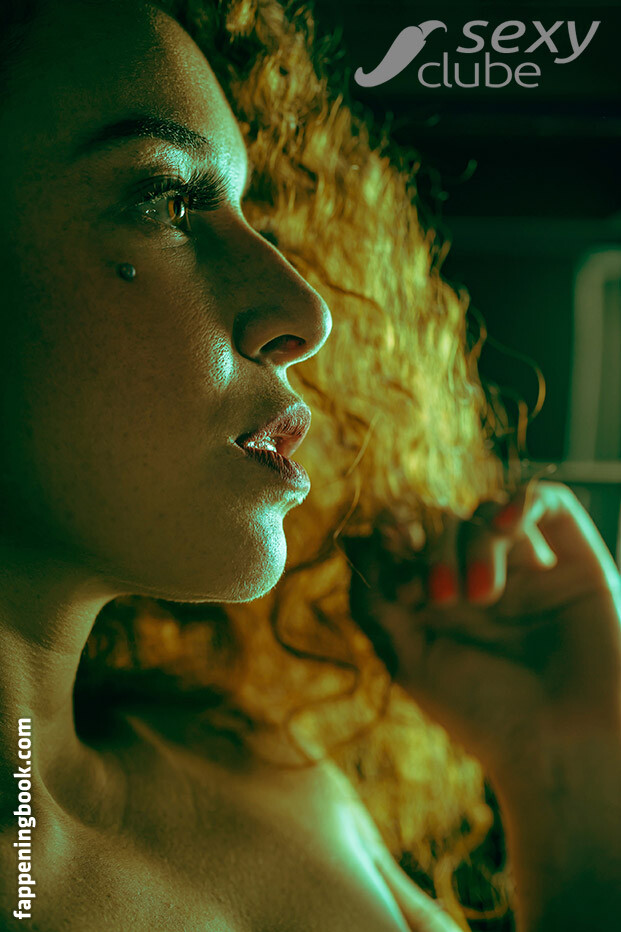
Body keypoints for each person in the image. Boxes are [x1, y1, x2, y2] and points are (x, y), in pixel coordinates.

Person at [0, 1, 619, 930]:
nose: (306, 312)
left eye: (253, 217)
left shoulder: (261, 777)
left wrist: (564, 769)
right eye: (164, 200)